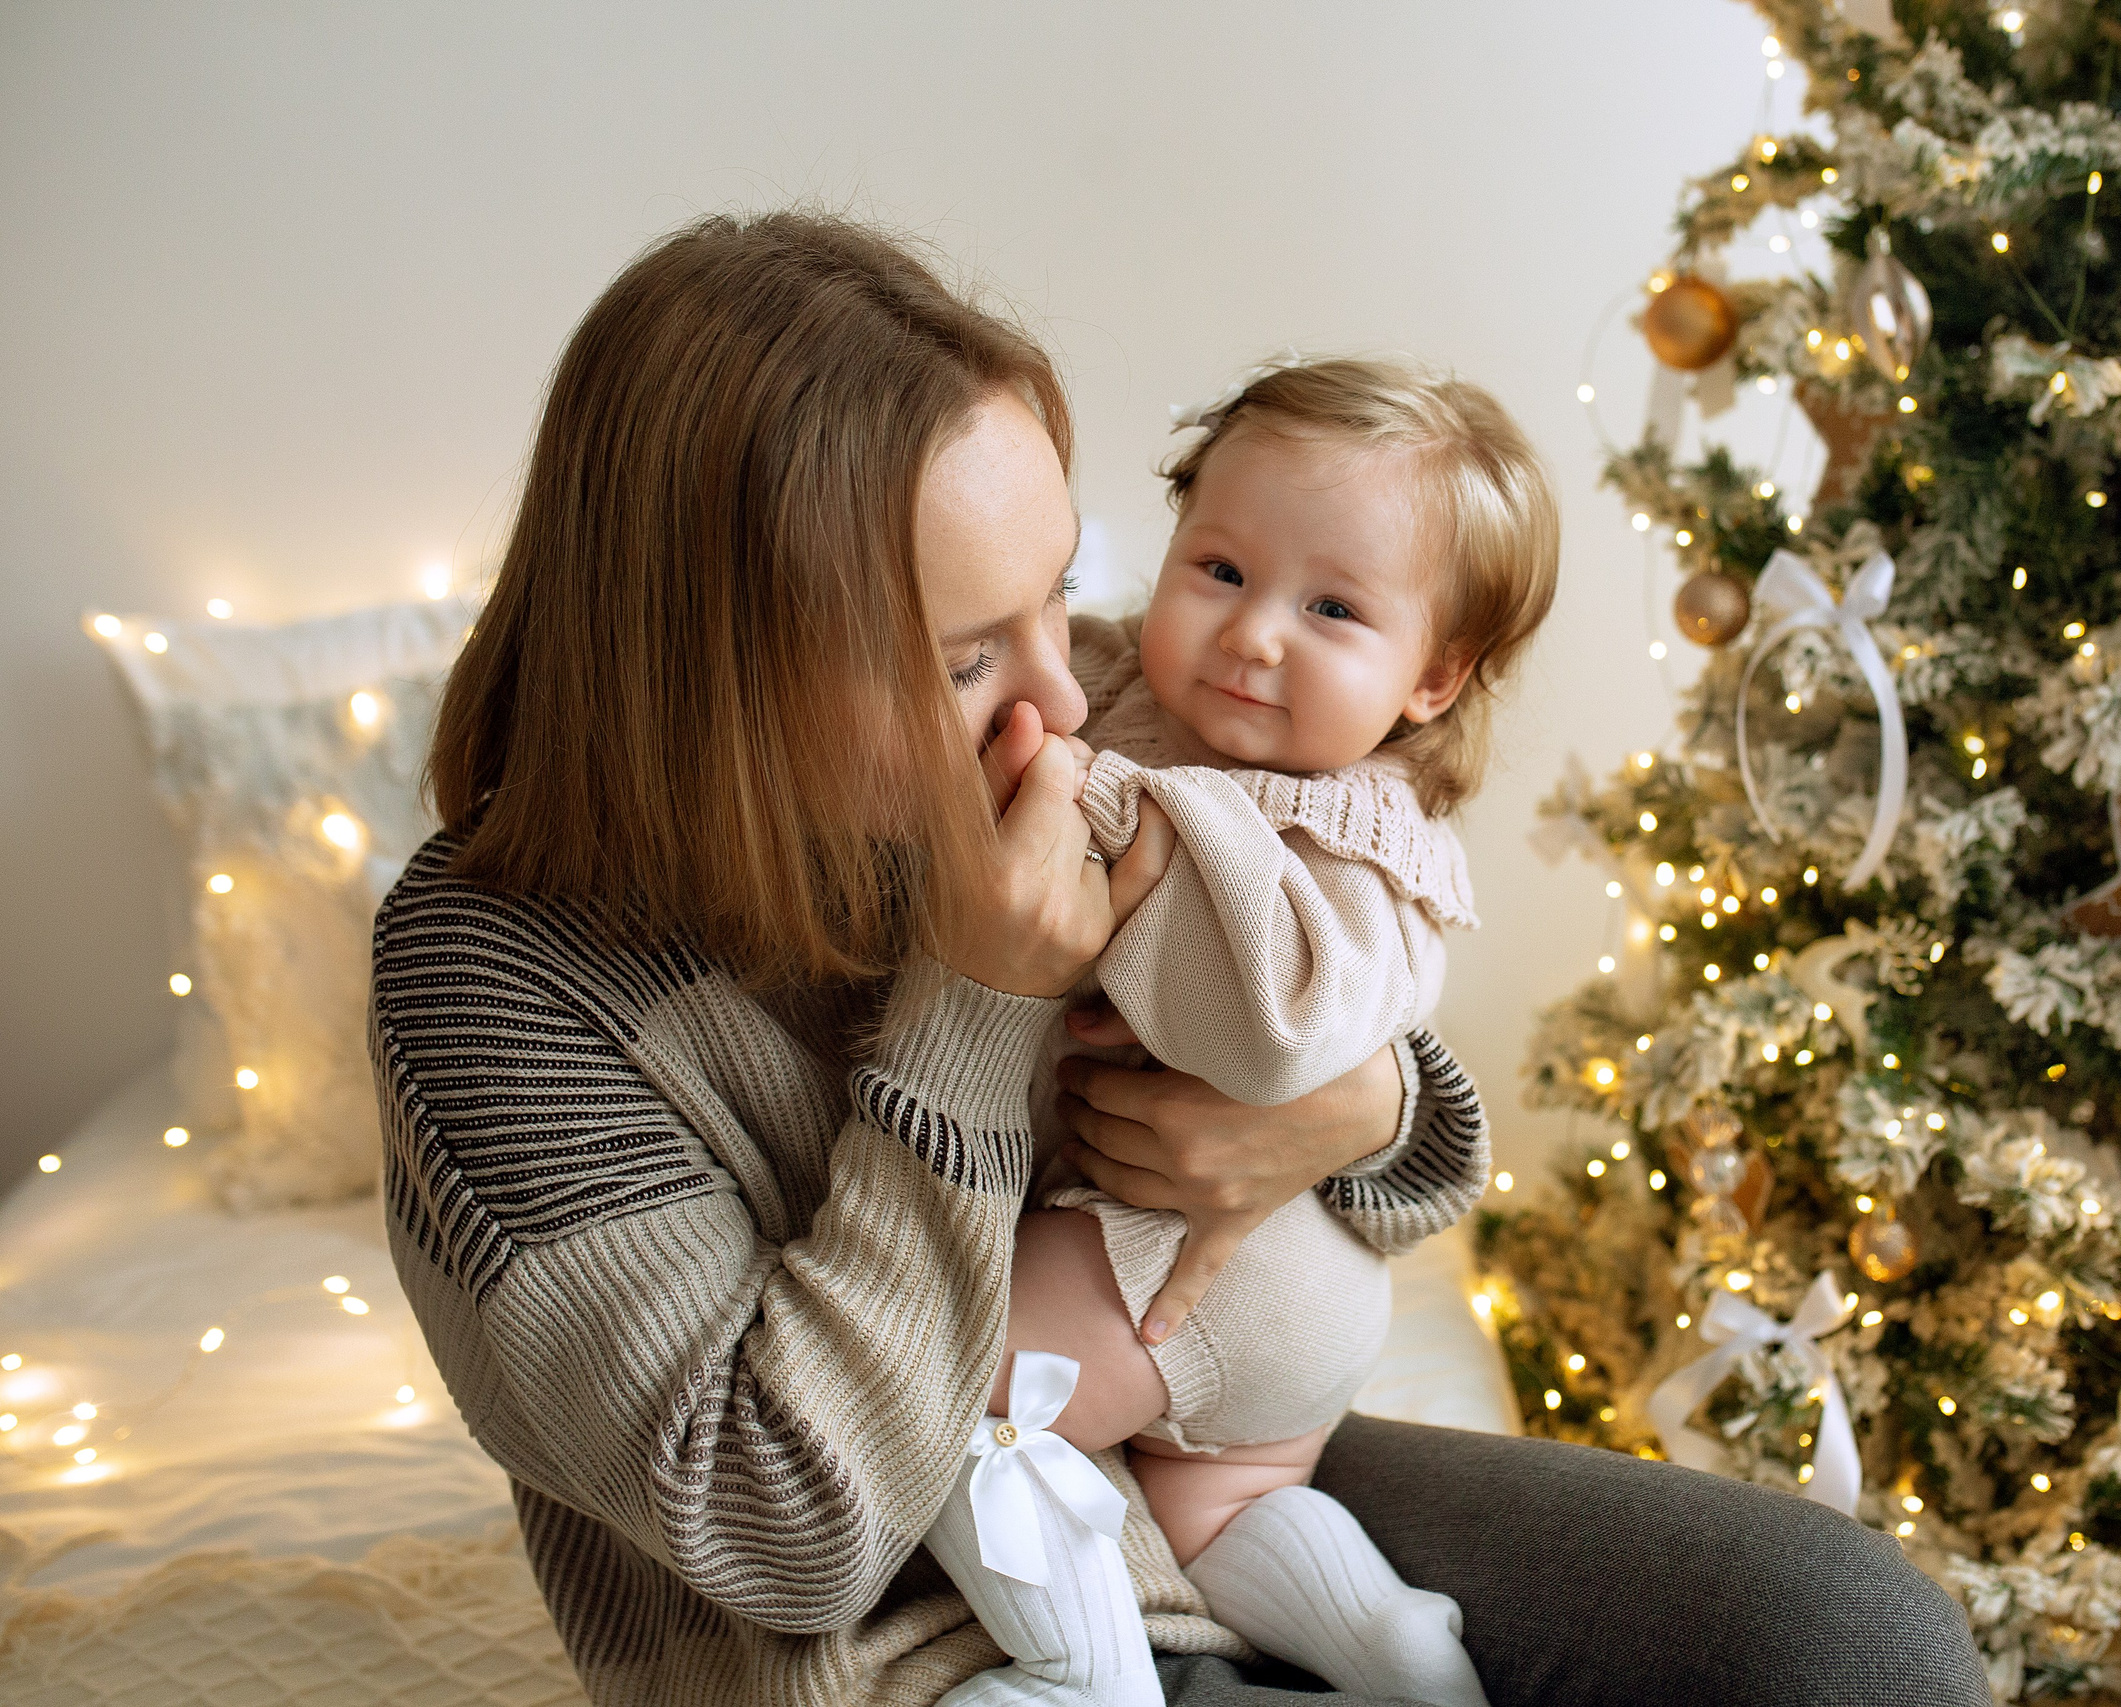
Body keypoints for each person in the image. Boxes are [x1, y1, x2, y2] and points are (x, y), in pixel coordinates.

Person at [371, 208, 1993, 1707]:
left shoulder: (1050, 726)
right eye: (956, 656)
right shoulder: (491, 981)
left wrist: (1358, 1109)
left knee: (1845, 1637)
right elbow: (790, 1531)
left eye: (1063, 590)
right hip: (902, 1658)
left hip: (1188, 1492)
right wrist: (978, 997)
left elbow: (1371, 1106)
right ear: (717, 665)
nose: (1066, 698)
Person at [938, 355, 1557, 1707]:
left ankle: (1076, 1674)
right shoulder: (1119, 691)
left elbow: (1276, 1033)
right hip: (1242, 1308)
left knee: (935, 1400)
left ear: (1434, 678)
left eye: (1333, 607)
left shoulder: (1365, 836)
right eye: (1219, 569)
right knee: (1222, 1518)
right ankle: (1398, 1652)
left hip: (1207, 1256)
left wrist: (1120, 811)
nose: (1254, 633)